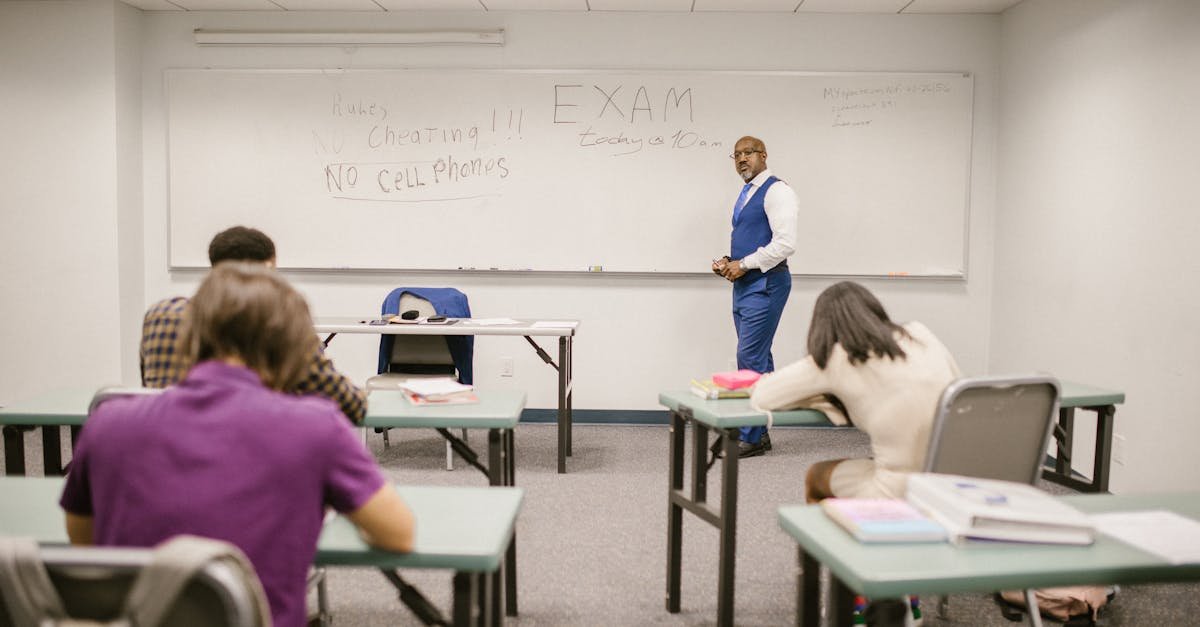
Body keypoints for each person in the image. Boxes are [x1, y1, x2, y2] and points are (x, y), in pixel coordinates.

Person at [61, 262, 415, 627]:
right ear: (291, 346)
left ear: (191, 336)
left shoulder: (108, 423)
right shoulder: (315, 428)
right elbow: (398, 533)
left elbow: (86, 544)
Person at [750, 281, 961, 502]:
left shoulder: (834, 358)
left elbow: (763, 396)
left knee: (817, 474)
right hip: (952, 480)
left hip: (900, 490)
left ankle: (831, 533)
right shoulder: (919, 332)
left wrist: (819, 400)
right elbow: (957, 388)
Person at [140, 225, 367, 424]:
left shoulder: (161, 316)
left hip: (164, 455)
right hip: (247, 455)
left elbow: (150, 389)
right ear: (266, 270)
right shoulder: (280, 324)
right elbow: (348, 404)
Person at [711, 135, 799, 458]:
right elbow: (753, 239)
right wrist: (728, 262)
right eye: (736, 155)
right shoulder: (746, 193)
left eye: (748, 153)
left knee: (748, 358)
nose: (742, 159)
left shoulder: (778, 191)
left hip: (766, 284)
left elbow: (785, 244)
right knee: (759, 358)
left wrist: (744, 264)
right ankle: (760, 433)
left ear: (763, 155)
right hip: (746, 284)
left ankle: (747, 435)